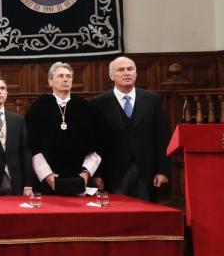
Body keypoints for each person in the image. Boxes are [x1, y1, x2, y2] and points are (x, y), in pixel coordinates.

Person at [90, 56, 171, 201]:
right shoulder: (98, 103)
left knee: (145, 215)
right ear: (111, 75)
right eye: (121, 70)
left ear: (136, 73)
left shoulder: (152, 100)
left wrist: (162, 171)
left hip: (147, 172)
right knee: (117, 216)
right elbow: (95, 142)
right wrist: (96, 174)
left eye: (130, 69)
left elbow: (162, 137)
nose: (126, 73)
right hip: (112, 173)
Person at [26, 62, 100, 196]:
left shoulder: (84, 106)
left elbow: (96, 144)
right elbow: (32, 146)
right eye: (60, 76)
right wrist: (48, 176)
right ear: (50, 81)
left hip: (80, 176)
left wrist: (85, 174)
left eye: (69, 76)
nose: (66, 79)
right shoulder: (38, 107)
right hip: (47, 177)